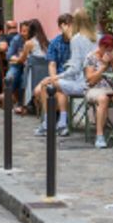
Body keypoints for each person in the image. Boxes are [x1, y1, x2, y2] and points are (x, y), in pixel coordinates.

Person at [35, 9, 96, 137]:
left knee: (48, 85)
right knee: (57, 87)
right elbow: (53, 63)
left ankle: (48, 124)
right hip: (93, 81)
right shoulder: (96, 36)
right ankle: (62, 124)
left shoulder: (77, 39)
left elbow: (75, 68)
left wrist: (55, 78)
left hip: (81, 82)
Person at [85, 33, 113, 149]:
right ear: (101, 47)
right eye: (106, 49)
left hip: (112, 88)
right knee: (103, 99)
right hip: (95, 89)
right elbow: (91, 81)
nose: (109, 52)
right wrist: (103, 66)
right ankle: (99, 136)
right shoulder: (91, 57)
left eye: (111, 49)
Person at [17, 19, 50, 114]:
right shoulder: (46, 42)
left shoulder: (29, 43)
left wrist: (15, 59)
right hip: (45, 72)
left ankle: (24, 104)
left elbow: (22, 60)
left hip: (33, 72)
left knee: (22, 76)